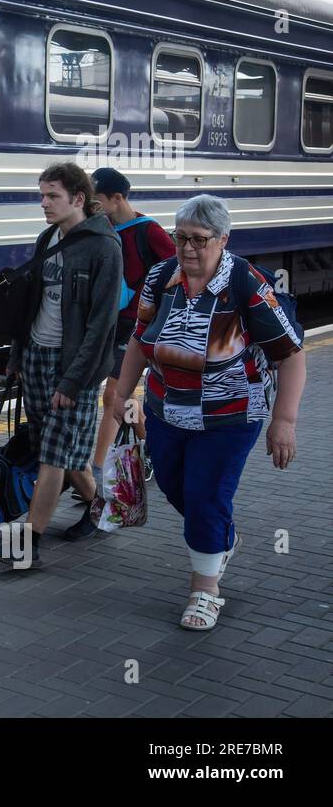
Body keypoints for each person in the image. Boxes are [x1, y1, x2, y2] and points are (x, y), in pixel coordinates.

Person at [110, 194, 303, 630]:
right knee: (178, 489)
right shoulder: (161, 277)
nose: (188, 249)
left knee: (205, 497)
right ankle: (220, 537)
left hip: (230, 415)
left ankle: (205, 590)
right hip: (166, 409)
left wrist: (284, 422)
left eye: (199, 240)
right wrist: (123, 395)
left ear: (223, 239)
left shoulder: (247, 286)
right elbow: (140, 342)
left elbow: (290, 355)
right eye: (181, 238)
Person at [2, 162, 123, 565]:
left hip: (75, 367)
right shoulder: (47, 238)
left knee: (53, 454)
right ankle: (98, 505)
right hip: (37, 356)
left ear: (78, 199)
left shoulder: (104, 248)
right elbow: (29, 305)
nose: (44, 203)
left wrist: (73, 382)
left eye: (52, 196)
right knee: (60, 449)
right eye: (41, 195)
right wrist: (18, 355)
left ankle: (30, 543)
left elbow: (102, 323)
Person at [86, 167, 176, 495]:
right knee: (122, 396)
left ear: (117, 198)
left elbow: (178, 271)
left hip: (137, 325)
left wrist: (152, 304)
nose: (90, 206)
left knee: (113, 396)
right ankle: (149, 441)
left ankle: (97, 474)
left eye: (96, 200)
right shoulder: (100, 228)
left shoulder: (149, 231)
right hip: (107, 321)